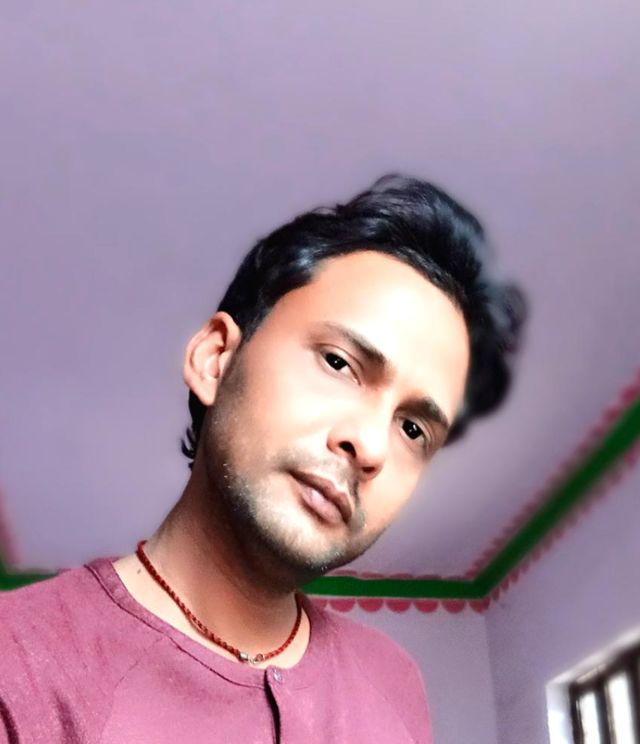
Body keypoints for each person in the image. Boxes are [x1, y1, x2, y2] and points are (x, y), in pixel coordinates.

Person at [0, 175, 524, 743]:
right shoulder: (19, 661)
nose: (371, 447)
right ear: (215, 358)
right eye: (339, 363)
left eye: (413, 429)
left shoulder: (394, 681)